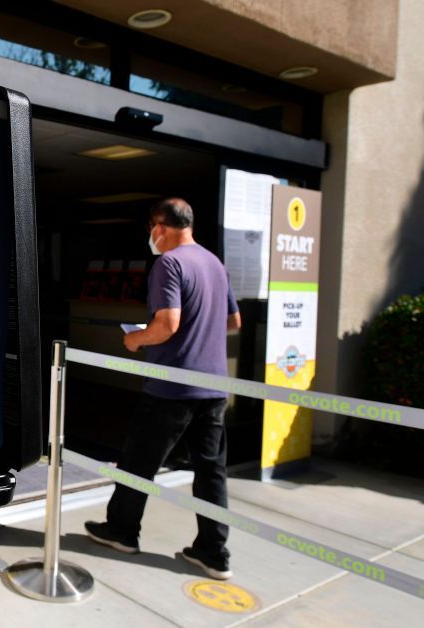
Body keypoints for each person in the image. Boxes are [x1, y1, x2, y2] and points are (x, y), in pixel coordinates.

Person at [85, 197, 242, 580]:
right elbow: (234, 321)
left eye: (151, 228)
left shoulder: (168, 264)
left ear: (160, 226)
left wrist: (137, 339)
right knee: (211, 472)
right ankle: (213, 552)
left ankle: (122, 531)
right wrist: (199, 336)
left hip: (172, 387)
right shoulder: (214, 264)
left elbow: (168, 324)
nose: (151, 236)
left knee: (139, 462)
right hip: (213, 387)